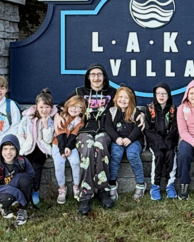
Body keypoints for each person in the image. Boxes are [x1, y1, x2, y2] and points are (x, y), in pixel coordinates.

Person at [71, 64, 115, 214]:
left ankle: (103, 190)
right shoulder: (79, 92)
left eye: (99, 74)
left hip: (104, 130)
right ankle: (86, 194)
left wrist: (139, 115)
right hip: (84, 130)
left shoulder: (112, 93)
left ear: (104, 77)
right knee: (88, 147)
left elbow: (126, 106)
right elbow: (63, 108)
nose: (96, 78)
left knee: (100, 145)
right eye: (93, 75)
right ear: (88, 77)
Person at [16, 88, 57, 207]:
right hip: (28, 145)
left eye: (47, 107)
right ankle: (24, 190)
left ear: (51, 107)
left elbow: (48, 140)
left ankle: (35, 190)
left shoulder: (51, 119)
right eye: (41, 107)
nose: (44, 110)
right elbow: (20, 133)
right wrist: (23, 145)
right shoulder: (27, 118)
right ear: (36, 107)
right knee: (24, 164)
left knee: (37, 164)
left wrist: (45, 126)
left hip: (41, 146)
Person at [105, 86, 147, 200]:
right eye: (120, 97)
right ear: (116, 98)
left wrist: (130, 138)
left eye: (126, 98)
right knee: (115, 154)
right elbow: (108, 126)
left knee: (132, 154)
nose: (123, 100)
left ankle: (140, 183)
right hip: (117, 139)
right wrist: (116, 138)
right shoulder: (111, 111)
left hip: (133, 140)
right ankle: (112, 184)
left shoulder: (135, 112)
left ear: (131, 100)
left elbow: (139, 128)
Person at [0, 134, 33, 226]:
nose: (8, 152)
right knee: (6, 198)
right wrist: (15, 192)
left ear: (17, 150)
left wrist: (18, 179)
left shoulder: (22, 161)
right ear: (1, 150)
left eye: (12, 148)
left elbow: (31, 175)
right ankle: (3, 207)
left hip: (18, 186)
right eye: (5, 149)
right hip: (4, 191)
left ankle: (23, 210)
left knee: (24, 179)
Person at [144, 82, 179, 201]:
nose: (161, 96)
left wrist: (168, 141)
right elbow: (148, 129)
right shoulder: (149, 109)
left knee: (171, 154)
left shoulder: (174, 110)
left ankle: (170, 184)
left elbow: (175, 128)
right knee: (158, 156)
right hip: (155, 142)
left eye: (164, 93)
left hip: (169, 140)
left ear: (168, 95)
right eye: (158, 93)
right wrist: (159, 142)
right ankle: (155, 185)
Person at [52, 95, 84, 204]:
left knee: (75, 162)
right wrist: (62, 150)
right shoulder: (61, 116)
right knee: (59, 164)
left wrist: (68, 147)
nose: (74, 109)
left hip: (71, 145)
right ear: (67, 106)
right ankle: (62, 188)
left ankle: (76, 185)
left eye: (78, 107)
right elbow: (60, 134)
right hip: (58, 144)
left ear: (82, 109)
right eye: (72, 106)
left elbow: (74, 134)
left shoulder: (80, 120)